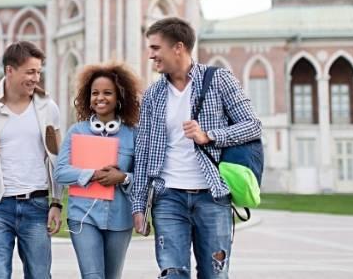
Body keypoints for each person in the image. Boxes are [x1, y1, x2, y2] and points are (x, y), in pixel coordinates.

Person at [131, 17, 262, 279]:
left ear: (178, 47)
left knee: (214, 274)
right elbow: (143, 152)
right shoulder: (153, 95)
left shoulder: (218, 80)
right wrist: (138, 205)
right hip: (168, 198)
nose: (150, 55)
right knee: (172, 274)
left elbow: (253, 125)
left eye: (156, 48)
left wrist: (208, 136)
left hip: (212, 196)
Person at [0, 41, 63, 279]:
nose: (35, 78)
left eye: (38, 72)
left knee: (40, 274)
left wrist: (57, 202)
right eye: (30, 71)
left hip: (37, 205)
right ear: (10, 70)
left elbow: (57, 158)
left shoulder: (48, 108)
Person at [54, 62, 142, 279]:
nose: (100, 98)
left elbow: (143, 176)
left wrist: (122, 177)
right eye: (95, 93)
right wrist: (92, 174)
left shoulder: (133, 134)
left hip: (120, 218)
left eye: (107, 93)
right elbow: (61, 172)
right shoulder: (77, 131)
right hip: (83, 217)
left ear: (119, 97)